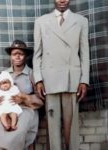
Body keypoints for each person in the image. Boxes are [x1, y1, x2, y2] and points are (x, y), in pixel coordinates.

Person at [33, 0, 89, 150]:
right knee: (53, 128)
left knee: (72, 129)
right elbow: (37, 54)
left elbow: (84, 53)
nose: (62, 0)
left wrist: (84, 80)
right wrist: (38, 79)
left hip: (72, 80)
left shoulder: (81, 21)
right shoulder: (41, 22)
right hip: (49, 80)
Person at [0, 40, 43, 150]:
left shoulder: (32, 74)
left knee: (17, 132)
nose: (17, 57)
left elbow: (41, 100)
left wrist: (24, 98)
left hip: (26, 110)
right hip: (5, 109)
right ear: (11, 57)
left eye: (21, 54)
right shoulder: (4, 74)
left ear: (25, 56)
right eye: (14, 54)